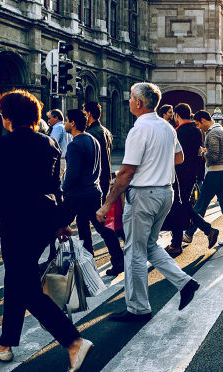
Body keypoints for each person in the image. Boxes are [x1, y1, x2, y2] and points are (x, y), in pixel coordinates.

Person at [0, 91, 92, 372]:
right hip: (44, 219)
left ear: (7, 117)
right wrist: (59, 222)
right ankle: (5, 343)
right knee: (16, 278)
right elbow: (55, 186)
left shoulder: (1, 144)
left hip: (17, 220)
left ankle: (73, 341)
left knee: (26, 286)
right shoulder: (49, 142)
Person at [96, 82, 200, 322]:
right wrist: (157, 164)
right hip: (165, 192)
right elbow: (179, 157)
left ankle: (138, 308)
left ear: (139, 103)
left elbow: (126, 173)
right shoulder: (167, 127)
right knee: (150, 245)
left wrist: (106, 204)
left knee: (133, 252)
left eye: (131, 97)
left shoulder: (139, 130)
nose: (129, 100)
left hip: (144, 195)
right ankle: (185, 283)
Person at [60, 108, 124, 276]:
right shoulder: (92, 139)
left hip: (76, 195)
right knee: (96, 227)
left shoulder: (74, 144)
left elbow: (72, 174)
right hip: (94, 192)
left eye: (66, 120)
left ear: (72, 123)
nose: (65, 123)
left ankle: (58, 262)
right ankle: (116, 260)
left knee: (58, 225)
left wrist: (63, 189)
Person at [182, 110, 223, 247]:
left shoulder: (212, 133)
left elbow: (214, 157)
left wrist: (202, 152)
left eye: (198, 124)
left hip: (215, 173)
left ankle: (188, 234)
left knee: (200, 205)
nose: (198, 127)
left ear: (203, 120)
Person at [167, 103, 214, 254]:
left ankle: (177, 243)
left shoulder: (177, 132)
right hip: (192, 174)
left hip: (178, 175)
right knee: (183, 205)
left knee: (179, 206)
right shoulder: (196, 131)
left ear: (177, 116)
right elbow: (198, 154)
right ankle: (179, 241)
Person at [83, 101, 114, 199]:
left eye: (84, 113)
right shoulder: (106, 131)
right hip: (105, 177)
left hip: (95, 181)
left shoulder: (90, 134)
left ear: (89, 114)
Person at [47, 109, 71, 176]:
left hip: (59, 161)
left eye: (49, 118)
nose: (48, 121)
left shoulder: (57, 127)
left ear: (56, 118)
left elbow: (52, 144)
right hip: (66, 160)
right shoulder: (65, 127)